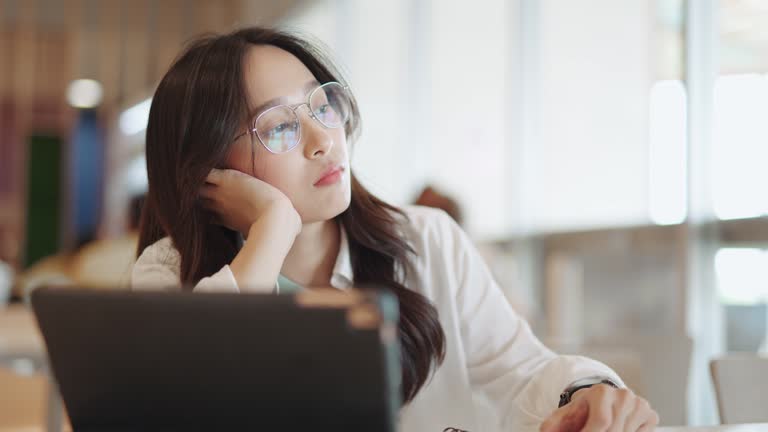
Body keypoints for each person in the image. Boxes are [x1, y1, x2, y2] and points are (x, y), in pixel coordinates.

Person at [131, 27, 659, 432]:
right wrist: (271, 231)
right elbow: (185, 411)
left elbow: (521, 371)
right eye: (280, 127)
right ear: (209, 171)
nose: (324, 139)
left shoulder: (426, 240)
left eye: (322, 105)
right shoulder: (168, 272)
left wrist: (587, 391)